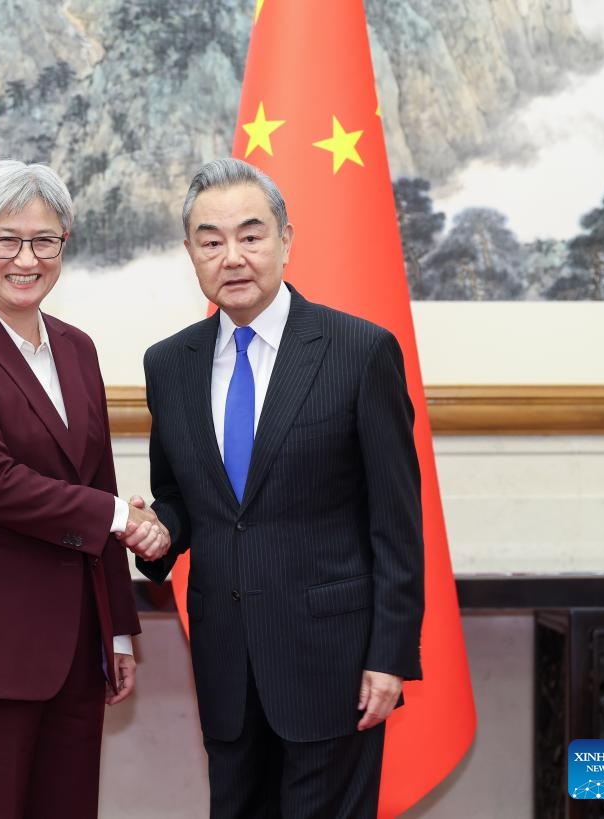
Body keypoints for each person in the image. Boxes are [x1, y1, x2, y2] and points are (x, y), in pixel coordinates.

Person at [135, 158, 424, 819]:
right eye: (210, 240)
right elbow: (182, 499)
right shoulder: (168, 364)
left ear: (286, 240)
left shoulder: (358, 352)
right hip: (227, 668)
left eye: (251, 234)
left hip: (335, 667)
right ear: (191, 253)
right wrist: (158, 531)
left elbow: (396, 522)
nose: (232, 256)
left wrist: (390, 655)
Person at [0, 159, 167, 819]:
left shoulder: (77, 349)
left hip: (73, 650)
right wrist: (119, 518)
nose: (25, 257)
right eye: (5, 239)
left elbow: (92, 475)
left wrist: (118, 632)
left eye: (44, 240)